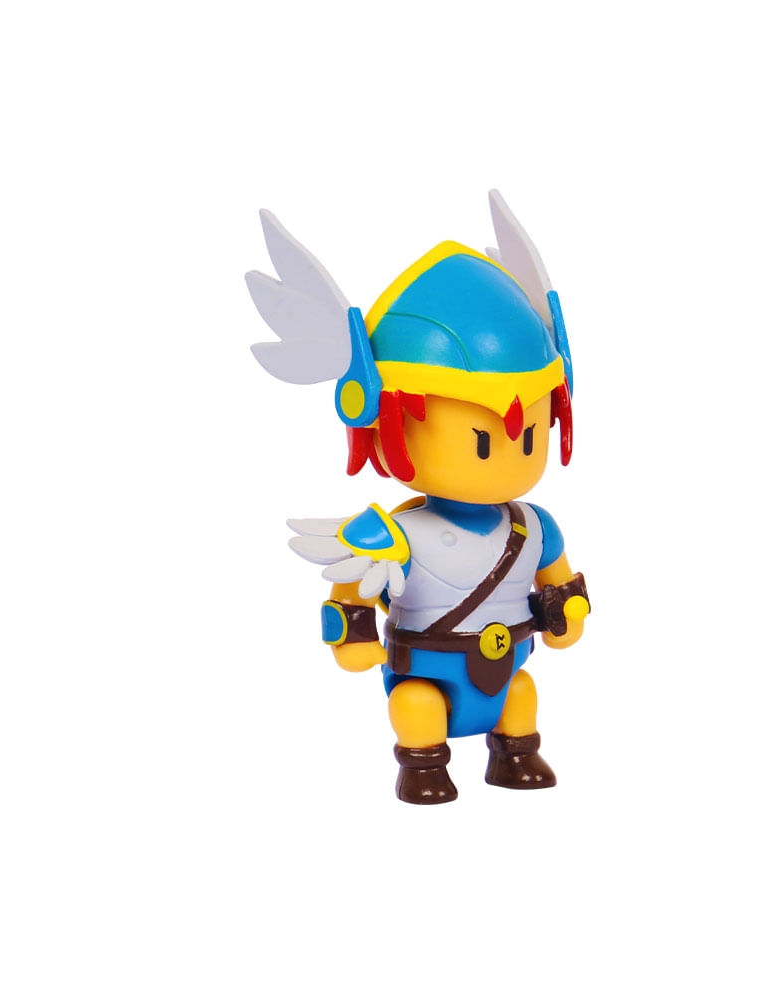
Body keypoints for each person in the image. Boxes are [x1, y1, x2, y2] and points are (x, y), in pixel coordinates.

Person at [247, 191, 590, 804]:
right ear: (390, 424)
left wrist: (566, 612)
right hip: (427, 668)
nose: (512, 453)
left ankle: (515, 750)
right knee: (416, 704)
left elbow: (560, 585)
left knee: (521, 695)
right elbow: (352, 592)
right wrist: (352, 635)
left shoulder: (536, 528)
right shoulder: (394, 533)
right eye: (482, 439)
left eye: (531, 434)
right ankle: (424, 764)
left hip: (507, 664)